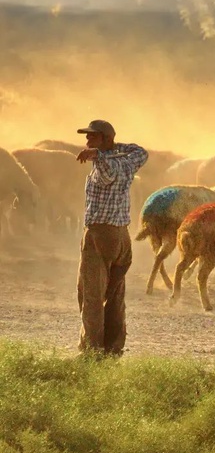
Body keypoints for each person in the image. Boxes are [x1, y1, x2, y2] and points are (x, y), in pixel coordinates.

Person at [75, 120, 148, 356]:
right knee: (115, 294)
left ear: (106, 138)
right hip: (121, 237)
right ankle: (114, 348)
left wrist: (100, 155)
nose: (87, 141)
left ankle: (93, 350)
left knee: (91, 294)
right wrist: (108, 149)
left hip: (100, 235)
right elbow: (141, 152)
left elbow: (107, 175)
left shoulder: (107, 166)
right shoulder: (127, 160)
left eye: (92, 137)